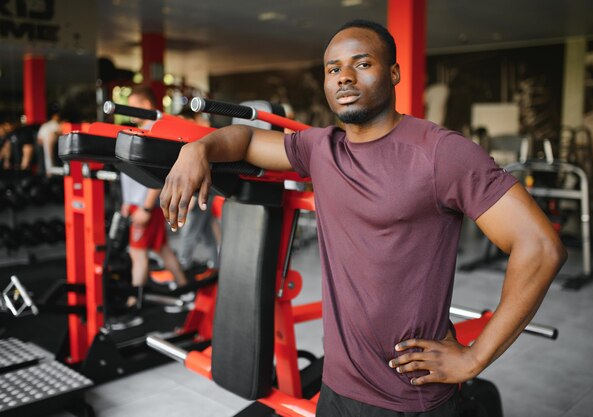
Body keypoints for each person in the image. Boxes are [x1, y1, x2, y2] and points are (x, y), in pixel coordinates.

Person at [159, 20, 567, 416]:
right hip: (337, 392)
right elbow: (246, 139)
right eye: (333, 69)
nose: (344, 77)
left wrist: (475, 357)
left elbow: (541, 246)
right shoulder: (320, 148)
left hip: (411, 399)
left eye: (362, 63)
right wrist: (197, 150)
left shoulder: (440, 153)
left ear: (393, 73)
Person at [120, 86, 188, 309]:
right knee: (162, 249)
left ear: (147, 106)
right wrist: (126, 203)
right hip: (137, 205)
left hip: (145, 206)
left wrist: (146, 208)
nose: (129, 111)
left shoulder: (154, 132)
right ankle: (185, 288)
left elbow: (158, 175)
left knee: (137, 254)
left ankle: (133, 302)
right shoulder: (139, 131)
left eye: (133, 105)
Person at [175, 106, 221, 271]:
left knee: (189, 233)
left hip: (200, 192)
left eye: (184, 121)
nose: (180, 124)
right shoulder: (188, 137)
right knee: (205, 232)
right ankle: (216, 265)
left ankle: (182, 267)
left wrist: (193, 198)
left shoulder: (202, 136)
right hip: (199, 191)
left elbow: (204, 169)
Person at [36, 104, 63, 176]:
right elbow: (39, 140)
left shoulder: (53, 124)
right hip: (46, 146)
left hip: (51, 145)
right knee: (49, 139)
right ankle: (50, 170)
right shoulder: (50, 125)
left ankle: (50, 169)